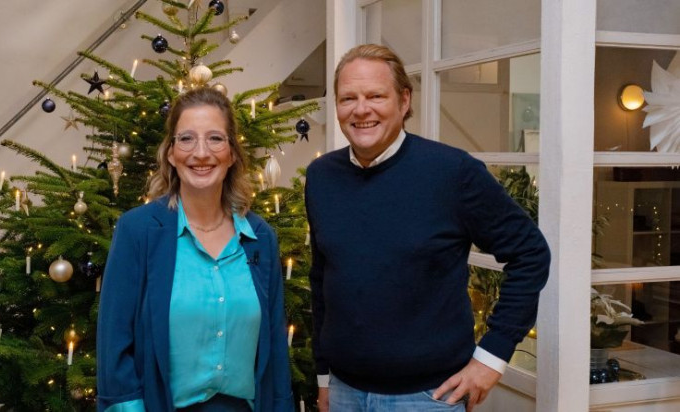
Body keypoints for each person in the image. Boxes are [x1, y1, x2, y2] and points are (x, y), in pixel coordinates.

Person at [305, 44, 550, 412]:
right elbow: (322, 278)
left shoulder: (452, 173)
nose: (361, 109)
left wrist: (492, 357)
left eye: (375, 96)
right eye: (348, 98)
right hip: (344, 392)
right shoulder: (322, 177)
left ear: (404, 100)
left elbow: (530, 253)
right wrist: (324, 377)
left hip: (428, 398)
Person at [97, 87, 294, 412]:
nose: (201, 153)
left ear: (232, 154)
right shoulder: (138, 231)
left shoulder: (260, 237)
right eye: (186, 139)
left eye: (215, 139)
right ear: (171, 153)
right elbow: (114, 345)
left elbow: (274, 349)